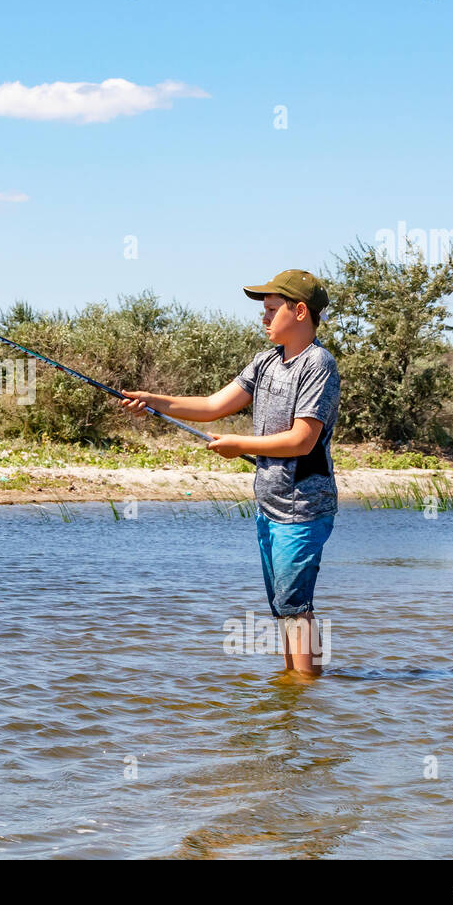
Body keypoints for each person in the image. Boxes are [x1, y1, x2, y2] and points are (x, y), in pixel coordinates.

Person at [119, 270, 341, 675]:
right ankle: (296, 695)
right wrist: (153, 400)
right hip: (269, 503)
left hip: (304, 504)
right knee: (285, 611)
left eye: (272, 310)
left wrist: (239, 446)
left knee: (297, 609)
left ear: (301, 311)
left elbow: (302, 440)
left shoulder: (318, 364)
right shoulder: (265, 361)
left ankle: (305, 695)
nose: (264, 318)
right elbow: (211, 406)